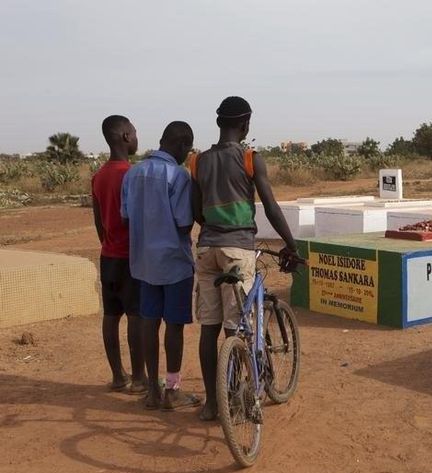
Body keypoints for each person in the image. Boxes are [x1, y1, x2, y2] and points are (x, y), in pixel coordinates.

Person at [191, 96, 299, 421]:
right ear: (246, 123)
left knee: (209, 328)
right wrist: (291, 245)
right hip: (237, 248)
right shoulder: (251, 158)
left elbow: (196, 211)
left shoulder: (197, 162)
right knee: (236, 328)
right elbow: (270, 205)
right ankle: (235, 401)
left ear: (218, 122)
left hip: (207, 248)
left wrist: (215, 226)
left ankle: (212, 403)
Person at [121, 121, 200, 411]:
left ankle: (152, 389)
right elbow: (183, 223)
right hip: (174, 263)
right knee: (174, 326)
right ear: (181, 146)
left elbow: (126, 216)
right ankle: (173, 389)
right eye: (187, 149)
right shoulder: (178, 176)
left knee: (148, 323)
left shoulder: (133, 173)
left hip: (143, 262)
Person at [91, 115, 146, 393]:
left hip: (108, 256)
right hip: (131, 258)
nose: (137, 137)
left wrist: (108, 244)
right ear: (125, 136)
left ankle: (117, 376)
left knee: (111, 316)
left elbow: (98, 221)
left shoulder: (98, 176)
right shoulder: (132, 175)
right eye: (135, 133)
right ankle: (139, 379)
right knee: (136, 315)